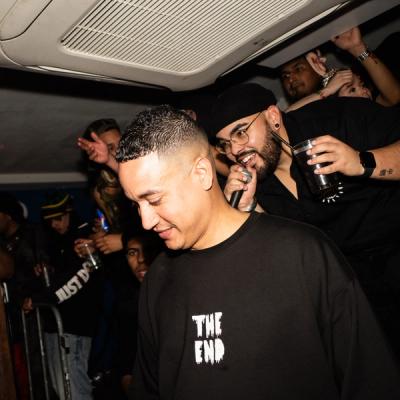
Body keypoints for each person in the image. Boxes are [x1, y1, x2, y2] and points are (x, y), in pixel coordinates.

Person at [115, 104, 400, 399]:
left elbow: (371, 379)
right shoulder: (157, 278)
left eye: (155, 199)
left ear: (201, 173)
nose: (145, 222)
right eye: (136, 204)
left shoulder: (301, 253)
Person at [213, 82, 400, 351]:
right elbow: (285, 254)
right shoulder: (255, 182)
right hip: (353, 286)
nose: (235, 150)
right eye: (225, 144)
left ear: (273, 117)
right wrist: (248, 209)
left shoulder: (335, 118)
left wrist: (361, 162)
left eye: (241, 132)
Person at [24, 191, 102, 400]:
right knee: (62, 390)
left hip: (75, 327)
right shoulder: (57, 241)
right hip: (57, 326)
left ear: (69, 212)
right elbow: (62, 277)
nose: (54, 224)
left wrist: (41, 299)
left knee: (74, 390)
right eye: (49, 221)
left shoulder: (85, 237)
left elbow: (78, 279)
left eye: (58, 218)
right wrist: (46, 272)